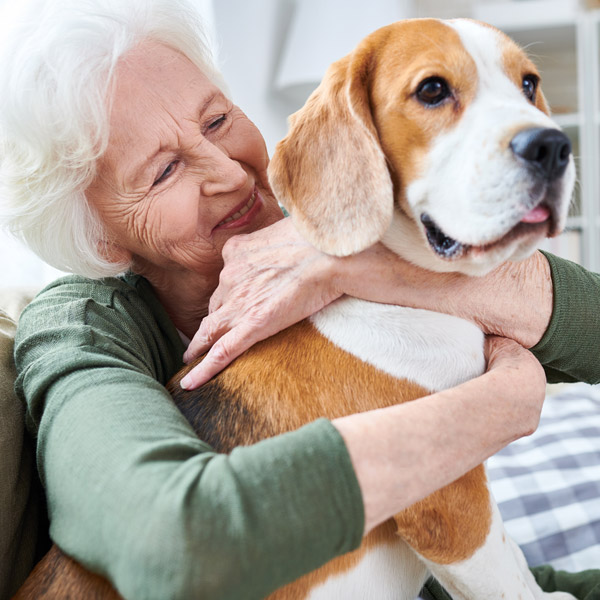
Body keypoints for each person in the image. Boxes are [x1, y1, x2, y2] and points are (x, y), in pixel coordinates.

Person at [0, 1, 598, 599]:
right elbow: (168, 539)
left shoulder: (352, 214)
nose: (229, 175)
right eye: (164, 172)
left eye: (216, 121)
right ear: (100, 234)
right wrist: (501, 405)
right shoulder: (78, 327)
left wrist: (356, 263)